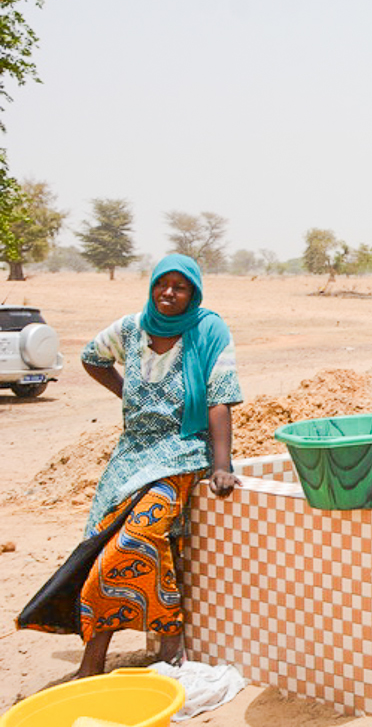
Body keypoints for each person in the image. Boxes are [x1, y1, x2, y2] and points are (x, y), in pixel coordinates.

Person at [18, 254, 242, 676]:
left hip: (181, 451)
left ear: (193, 293)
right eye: (162, 284)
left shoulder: (208, 330)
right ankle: (110, 657)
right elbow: (91, 356)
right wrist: (125, 394)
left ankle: (150, 646)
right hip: (132, 453)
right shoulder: (131, 328)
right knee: (100, 543)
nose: (168, 293)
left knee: (134, 539)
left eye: (180, 287)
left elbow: (220, 398)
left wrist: (221, 464)